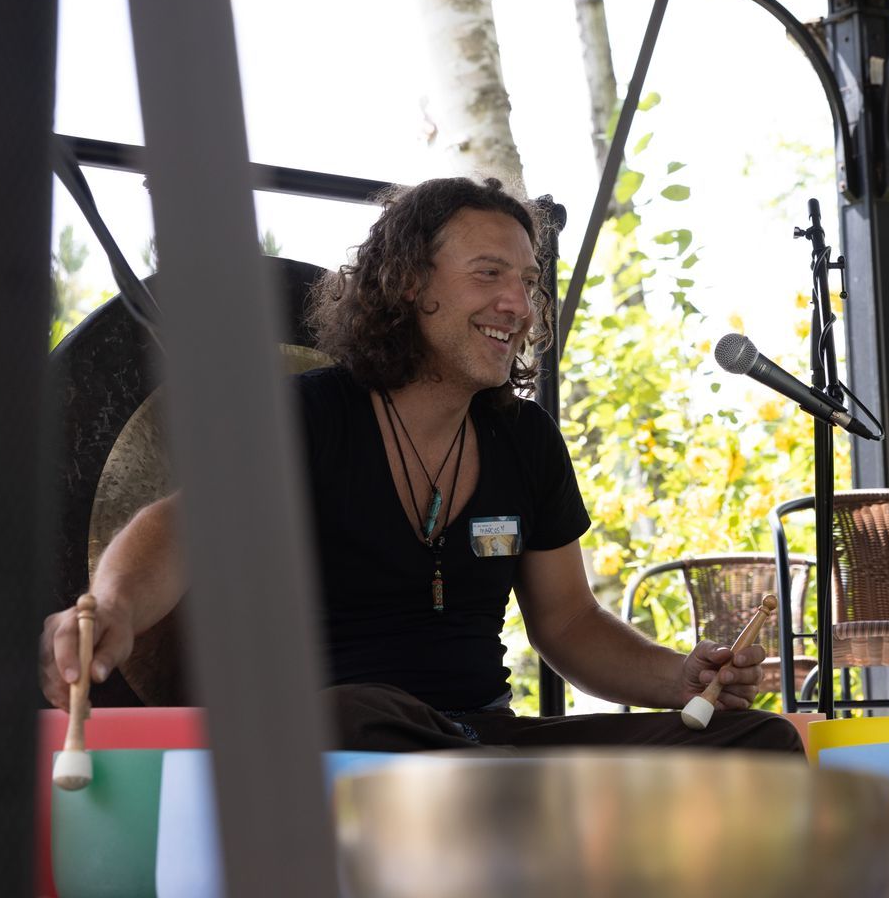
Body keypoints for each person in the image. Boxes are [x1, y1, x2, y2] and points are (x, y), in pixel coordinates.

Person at [40, 175, 802, 754]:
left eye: (527, 282)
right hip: (347, 740)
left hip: (484, 742)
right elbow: (176, 531)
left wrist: (681, 678)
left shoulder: (526, 440)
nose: (520, 304)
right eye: (488, 274)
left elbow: (567, 623)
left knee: (759, 745)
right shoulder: (307, 416)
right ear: (410, 285)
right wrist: (108, 610)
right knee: (357, 714)